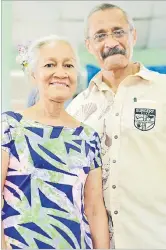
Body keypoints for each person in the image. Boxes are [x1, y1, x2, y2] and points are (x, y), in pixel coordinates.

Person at [66, 3, 166, 249]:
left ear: (133, 35)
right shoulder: (77, 109)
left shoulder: (163, 91)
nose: (110, 42)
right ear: (89, 45)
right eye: (100, 36)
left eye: (118, 31)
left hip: (154, 238)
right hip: (97, 243)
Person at [1, 35, 110, 249]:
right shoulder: (9, 126)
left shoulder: (88, 137)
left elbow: (94, 207)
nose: (60, 73)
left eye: (68, 65)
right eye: (50, 64)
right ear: (33, 74)